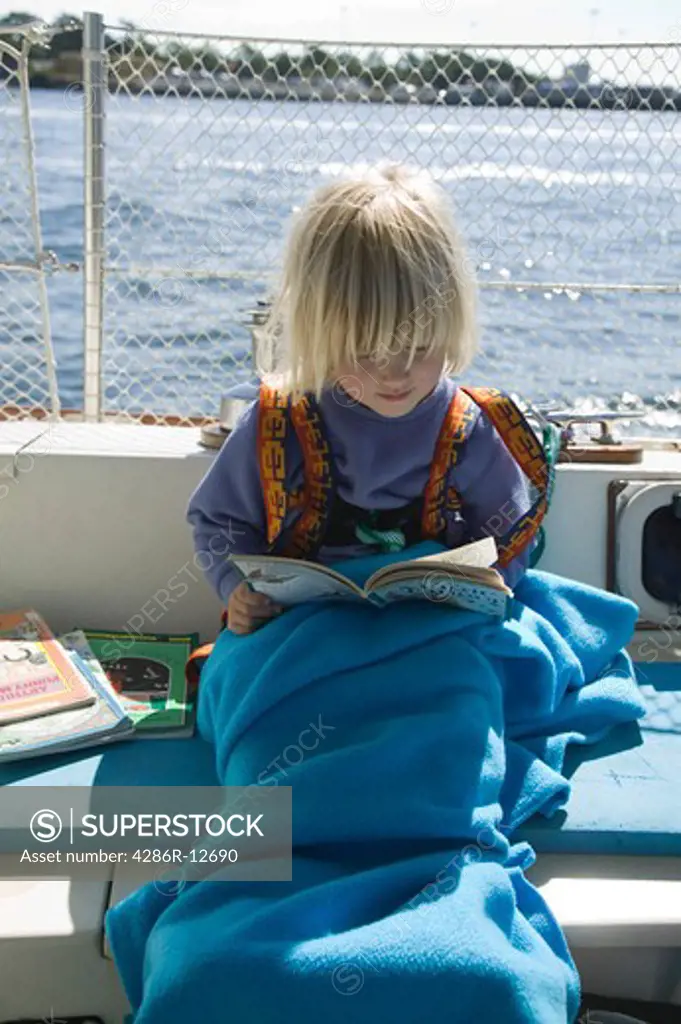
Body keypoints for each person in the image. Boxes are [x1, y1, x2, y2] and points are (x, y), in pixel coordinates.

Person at [188, 164, 550, 635]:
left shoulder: (467, 426)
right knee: (260, 695)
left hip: (428, 628)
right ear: (320, 332)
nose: (394, 374)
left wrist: (491, 583)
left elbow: (512, 533)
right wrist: (235, 589)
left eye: (419, 347)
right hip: (306, 628)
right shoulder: (279, 421)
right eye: (363, 351)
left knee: (472, 688)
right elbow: (220, 521)